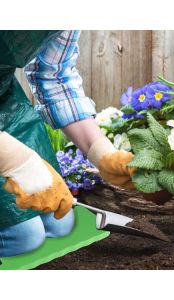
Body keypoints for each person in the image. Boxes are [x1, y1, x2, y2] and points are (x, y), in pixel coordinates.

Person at [0, 30, 134, 257]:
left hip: (5, 101)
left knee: (59, 222)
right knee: (23, 237)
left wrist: (101, 151)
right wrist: (14, 160)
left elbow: (53, 75)